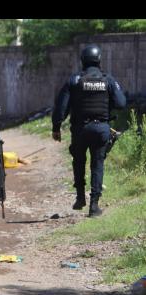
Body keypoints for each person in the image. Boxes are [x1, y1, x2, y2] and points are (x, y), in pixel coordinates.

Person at [52, 44, 126, 217]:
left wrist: (56, 128)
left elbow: (61, 107)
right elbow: (121, 103)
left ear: (82, 60)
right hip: (101, 129)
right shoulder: (108, 80)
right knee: (97, 164)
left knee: (78, 161)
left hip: (80, 130)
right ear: (99, 60)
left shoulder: (75, 80)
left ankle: (79, 198)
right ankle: (94, 206)